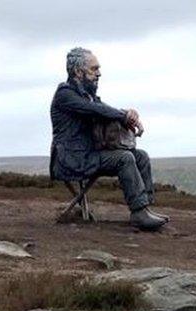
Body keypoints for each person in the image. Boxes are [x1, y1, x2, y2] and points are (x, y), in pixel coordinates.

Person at [50, 47, 168, 230]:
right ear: (78, 72)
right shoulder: (65, 95)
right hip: (72, 159)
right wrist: (123, 116)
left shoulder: (88, 96)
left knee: (141, 156)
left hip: (89, 155)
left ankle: (145, 208)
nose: (99, 74)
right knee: (124, 158)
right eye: (94, 69)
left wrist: (127, 114)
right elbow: (96, 110)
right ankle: (139, 213)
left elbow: (104, 108)